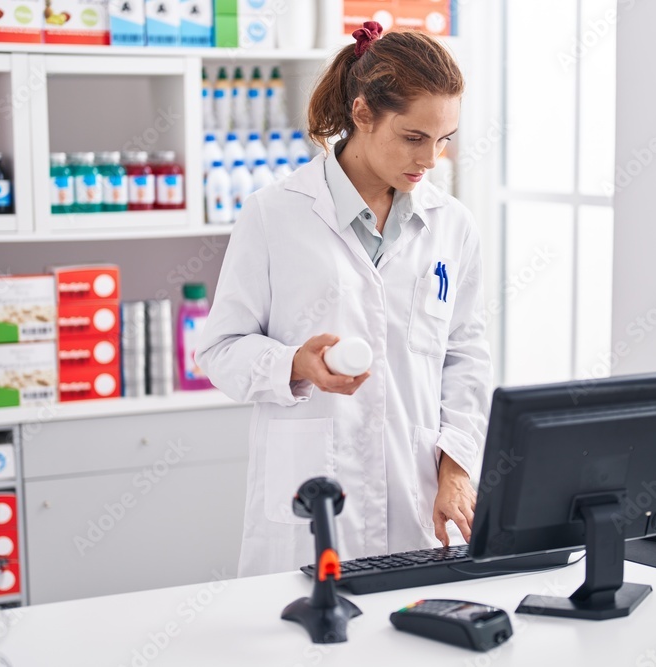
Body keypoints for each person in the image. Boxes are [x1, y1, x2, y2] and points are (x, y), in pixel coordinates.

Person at [195, 22, 492, 577]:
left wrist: (455, 468)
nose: (431, 160)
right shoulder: (274, 214)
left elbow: (466, 356)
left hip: (416, 494)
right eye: (413, 137)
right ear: (361, 114)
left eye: (444, 139)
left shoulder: (453, 225)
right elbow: (219, 350)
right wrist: (293, 364)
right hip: (311, 497)